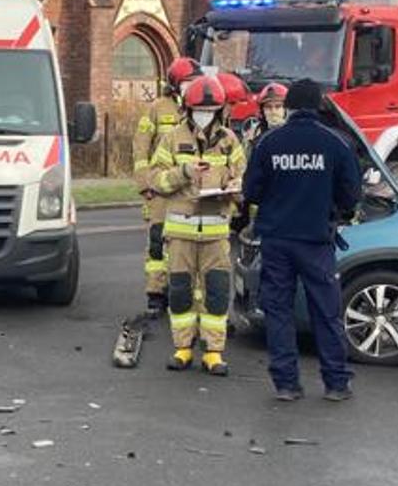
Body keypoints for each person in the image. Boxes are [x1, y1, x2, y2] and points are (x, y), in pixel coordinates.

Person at [241, 79, 362, 402]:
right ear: (320, 106)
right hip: (316, 240)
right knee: (326, 311)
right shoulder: (335, 143)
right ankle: (336, 383)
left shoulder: (269, 143)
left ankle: (286, 383)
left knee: (278, 311)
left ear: (290, 107)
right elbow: (352, 194)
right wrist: (336, 209)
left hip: (277, 240)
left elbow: (251, 190)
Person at [146, 74, 247, 375]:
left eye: (211, 110)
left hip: (216, 231)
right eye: (201, 110)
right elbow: (156, 179)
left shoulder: (230, 141)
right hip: (181, 232)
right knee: (180, 291)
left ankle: (213, 352)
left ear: (219, 111)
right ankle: (182, 348)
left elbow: (243, 178)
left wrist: (236, 186)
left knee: (216, 291)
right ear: (188, 110)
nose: (206, 115)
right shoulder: (172, 138)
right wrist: (185, 172)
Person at [132, 58, 200, 315]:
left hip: (186, 190)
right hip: (159, 189)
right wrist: (144, 185)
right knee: (157, 241)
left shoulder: (198, 110)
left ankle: (181, 292)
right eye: (187, 83)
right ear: (175, 85)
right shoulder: (157, 109)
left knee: (184, 243)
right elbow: (140, 149)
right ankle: (155, 294)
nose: (190, 87)